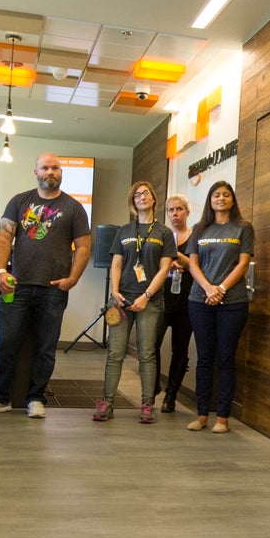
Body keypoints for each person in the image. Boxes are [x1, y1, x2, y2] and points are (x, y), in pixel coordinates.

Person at [0, 153, 91, 419]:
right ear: (35, 172)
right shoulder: (19, 201)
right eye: (45, 167)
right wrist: (1, 271)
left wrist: (73, 279)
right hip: (17, 287)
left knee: (45, 348)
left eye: (55, 168)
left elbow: (84, 246)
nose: (50, 172)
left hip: (53, 290)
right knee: (6, 343)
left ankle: (36, 398)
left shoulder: (73, 208)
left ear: (61, 172)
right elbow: (4, 236)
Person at [98, 181, 173, 423]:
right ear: (133, 201)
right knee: (115, 353)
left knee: (147, 354)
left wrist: (146, 296)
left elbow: (164, 270)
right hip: (121, 299)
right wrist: (115, 292)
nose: (142, 197)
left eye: (146, 193)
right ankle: (107, 403)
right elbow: (117, 263)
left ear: (153, 198)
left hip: (150, 302)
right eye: (137, 194)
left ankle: (147, 405)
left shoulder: (164, 233)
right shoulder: (124, 230)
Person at [183, 181, 252, 434]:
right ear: (210, 200)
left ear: (232, 200)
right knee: (204, 358)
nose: (221, 198)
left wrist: (220, 289)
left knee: (225, 358)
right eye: (216, 195)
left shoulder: (243, 228)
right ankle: (201, 415)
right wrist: (209, 289)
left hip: (232, 303)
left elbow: (242, 264)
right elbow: (193, 264)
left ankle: (222, 417)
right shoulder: (200, 228)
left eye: (226, 195)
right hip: (200, 301)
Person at [152, 193, 193, 414]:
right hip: (162, 298)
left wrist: (181, 260)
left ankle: (171, 395)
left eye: (179, 209)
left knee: (180, 349)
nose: (175, 214)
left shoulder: (195, 237)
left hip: (186, 301)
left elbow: (199, 267)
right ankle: (154, 383)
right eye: (171, 210)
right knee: (152, 343)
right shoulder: (162, 236)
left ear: (187, 212)